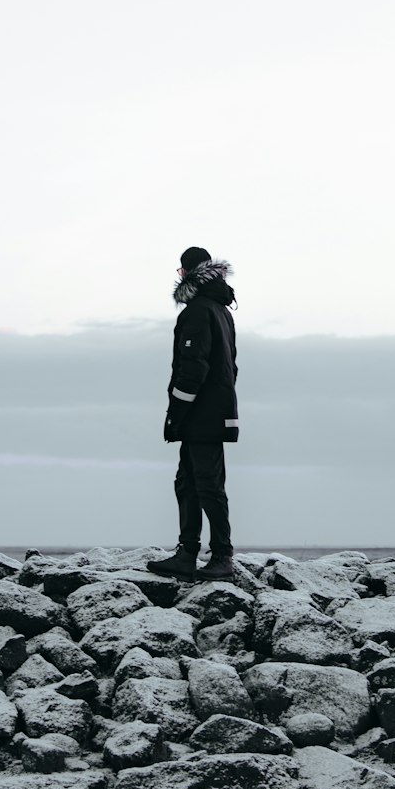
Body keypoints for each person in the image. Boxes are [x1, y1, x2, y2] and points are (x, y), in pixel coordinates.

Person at [148, 247, 238, 582]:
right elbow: (232, 366)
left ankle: (221, 556)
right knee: (187, 483)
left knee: (208, 485)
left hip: (202, 416)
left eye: (180, 271)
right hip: (213, 412)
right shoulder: (221, 310)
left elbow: (193, 368)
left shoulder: (198, 311)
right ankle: (187, 554)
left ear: (186, 273)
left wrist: (177, 413)